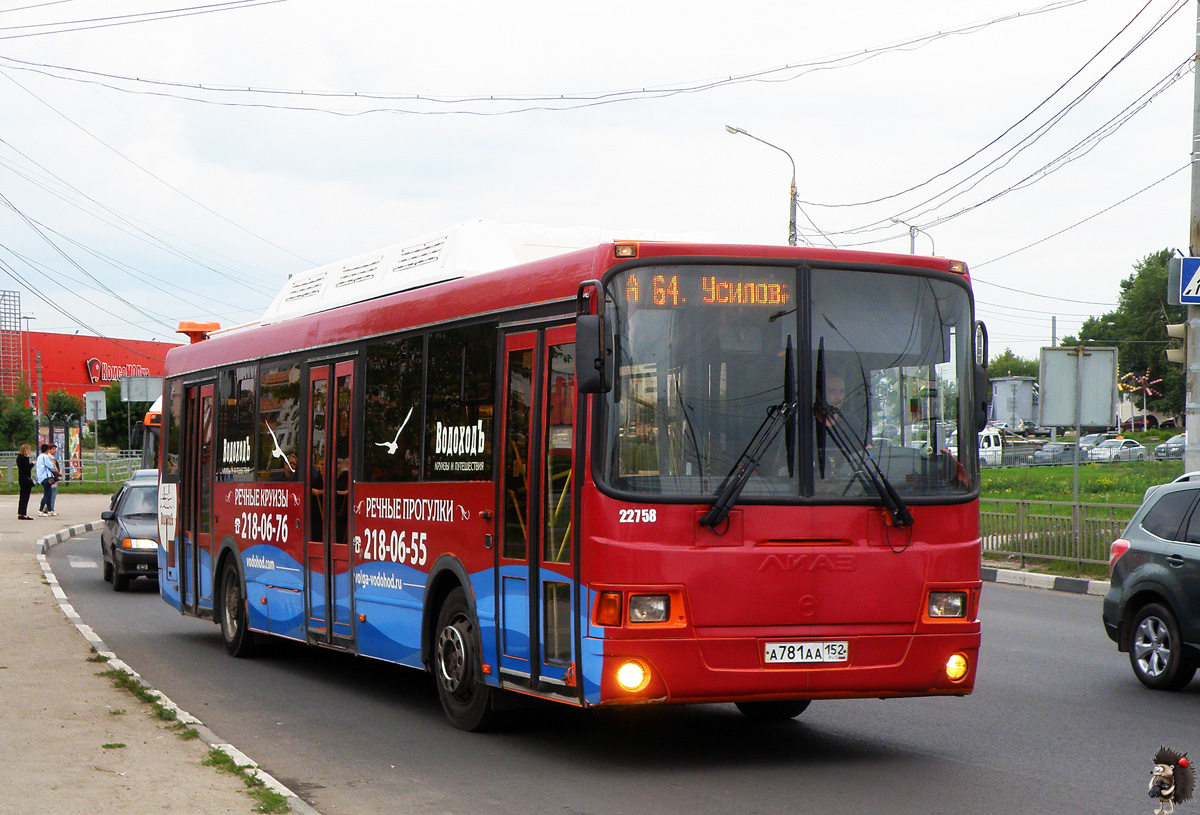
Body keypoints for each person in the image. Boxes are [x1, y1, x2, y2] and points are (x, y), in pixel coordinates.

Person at [35, 443, 61, 516]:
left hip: (41, 477)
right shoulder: (45, 457)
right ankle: (41, 510)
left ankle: (50, 510)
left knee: (49, 493)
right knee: (47, 494)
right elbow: (50, 466)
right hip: (46, 477)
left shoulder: (39, 457)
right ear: (47, 450)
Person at [16, 443, 34, 520]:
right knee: (25, 497)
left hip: (21, 478)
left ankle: (20, 512)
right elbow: (27, 468)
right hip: (26, 479)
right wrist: (32, 464)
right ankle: (24, 514)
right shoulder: (25, 458)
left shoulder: (19, 457)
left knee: (22, 496)